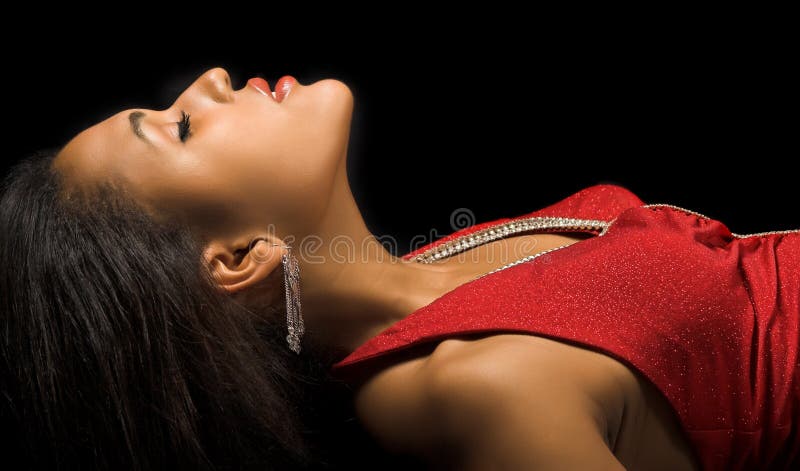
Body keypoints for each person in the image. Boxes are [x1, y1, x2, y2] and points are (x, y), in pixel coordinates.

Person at [1, 67, 797, 470]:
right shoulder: (468, 388)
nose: (208, 80)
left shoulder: (430, 270)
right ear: (239, 258)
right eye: (179, 129)